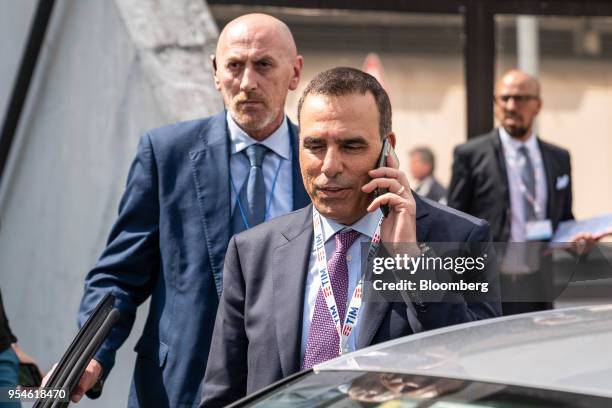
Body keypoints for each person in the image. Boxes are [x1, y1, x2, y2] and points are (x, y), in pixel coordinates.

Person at [200, 67, 500, 407]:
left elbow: (474, 366)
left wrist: (410, 259)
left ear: (389, 148)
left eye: (350, 145)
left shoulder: (462, 238)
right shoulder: (252, 251)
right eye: (314, 145)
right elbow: (222, 393)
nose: (329, 166)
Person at [67, 13, 309, 408]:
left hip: (292, 390)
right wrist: (91, 353)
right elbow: (120, 275)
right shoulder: (167, 154)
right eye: (234, 65)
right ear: (216, 72)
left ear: (294, 72)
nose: (247, 82)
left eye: (264, 64)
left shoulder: (322, 164)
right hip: (178, 388)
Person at [447, 69, 598, 315]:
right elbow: (454, 221)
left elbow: (563, 219)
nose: (510, 105)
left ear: (537, 106)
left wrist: (578, 242)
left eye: (520, 98)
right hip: (489, 288)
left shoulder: (558, 158)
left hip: (538, 289)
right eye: (503, 98)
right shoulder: (470, 155)